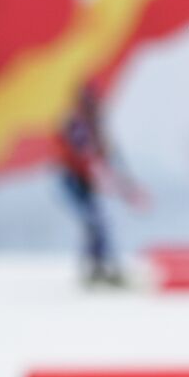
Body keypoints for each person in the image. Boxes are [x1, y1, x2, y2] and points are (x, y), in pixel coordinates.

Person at [55, 79, 146, 286]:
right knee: (95, 221)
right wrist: (121, 186)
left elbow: (111, 156)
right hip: (74, 179)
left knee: (97, 222)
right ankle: (99, 268)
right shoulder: (77, 124)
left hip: (84, 179)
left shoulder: (96, 125)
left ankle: (100, 267)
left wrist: (127, 186)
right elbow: (87, 157)